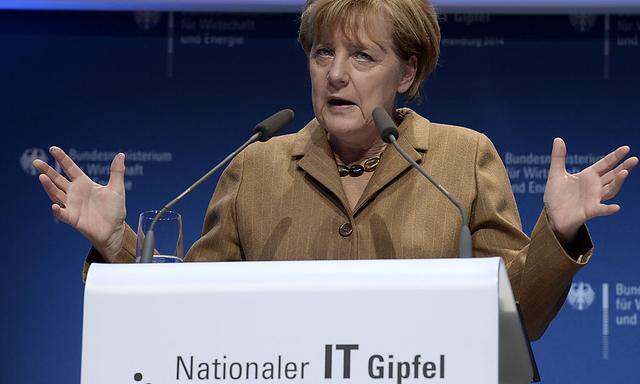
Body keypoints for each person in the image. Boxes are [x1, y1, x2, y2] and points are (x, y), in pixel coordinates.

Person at [33, 0, 636, 341]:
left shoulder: (462, 160)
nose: (336, 74)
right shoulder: (257, 166)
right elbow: (191, 316)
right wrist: (117, 245)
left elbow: (517, 324)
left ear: (406, 73)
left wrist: (556, 235)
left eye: (362, 56)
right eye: (324, 53)